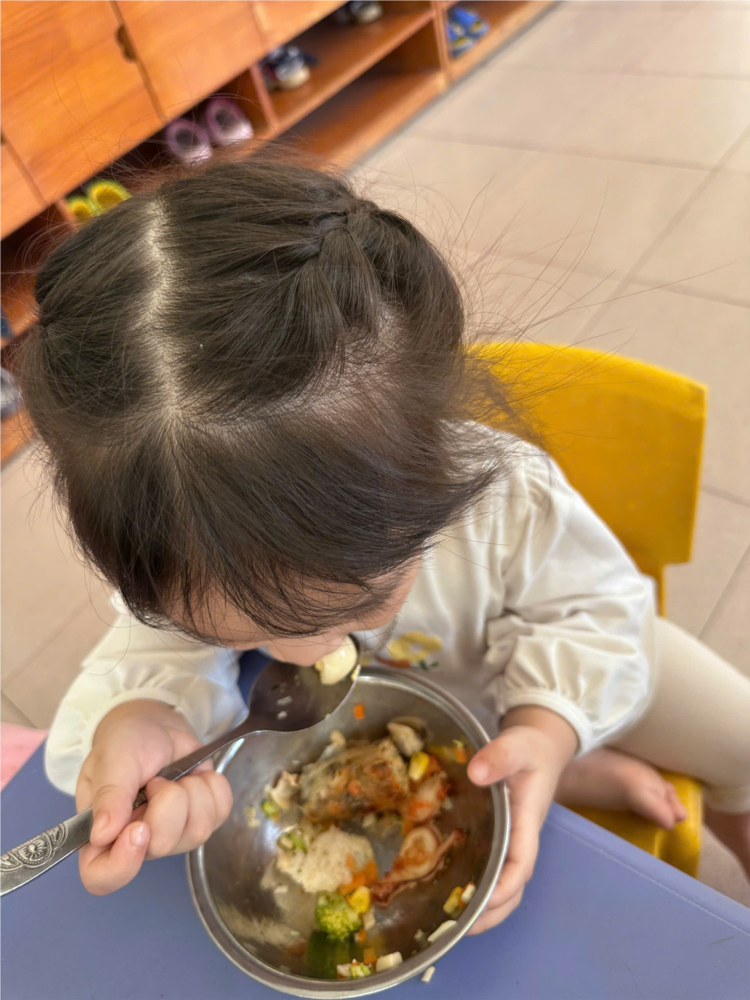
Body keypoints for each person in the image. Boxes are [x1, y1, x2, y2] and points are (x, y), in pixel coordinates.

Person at [18, 160, 750, 925]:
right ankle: (568, 770)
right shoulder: (177, 540)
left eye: (356, 602)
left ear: (430, 472)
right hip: (416, 718)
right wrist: (138, 715)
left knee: (740, 741)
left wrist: (547, 729)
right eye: (241, 631)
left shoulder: (507, 498)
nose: (304, 653)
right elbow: (147, 659)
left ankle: (571, 760)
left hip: (541, 648)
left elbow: (597, 614)